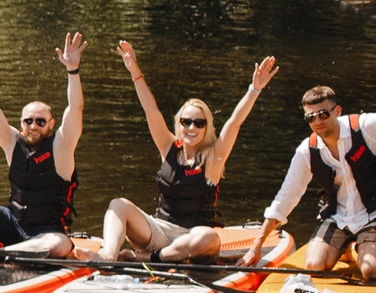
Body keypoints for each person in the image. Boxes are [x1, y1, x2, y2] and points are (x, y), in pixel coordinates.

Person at [242, 73, 376, 281]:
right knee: (314, 266)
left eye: (323, 114)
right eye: (310, 117)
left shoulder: (366, 128)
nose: (317, 121)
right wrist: (256, 248)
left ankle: (372, 245)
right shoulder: (306, 151)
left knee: (371, 271)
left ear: (337, 111)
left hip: (375, 212)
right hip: (338, 217)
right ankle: (343, 247)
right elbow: (284, 200)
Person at [99, 44, 278, 262]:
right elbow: (150, 109)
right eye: (186, 122)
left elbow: (235, 123)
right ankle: (108, 257)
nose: (191, 128)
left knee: (208, 237)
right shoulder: (168, 147)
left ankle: (143, 259)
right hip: (159, 231)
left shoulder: (214, 156)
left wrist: (254, 89)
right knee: (118, 204)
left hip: (192, 238)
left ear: (207, 126)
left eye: (199, 123)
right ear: (179, 124)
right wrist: (134, 71)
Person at [0, 33, 87, 256]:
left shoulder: (61, 147)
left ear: (51, 124)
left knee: (59, 245)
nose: (33, 126)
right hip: (13, 225)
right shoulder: (12, 143)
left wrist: (72, 70)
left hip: (47, 233)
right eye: (28, 121)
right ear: (21, 123)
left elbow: (75, 109)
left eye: (41, 121)